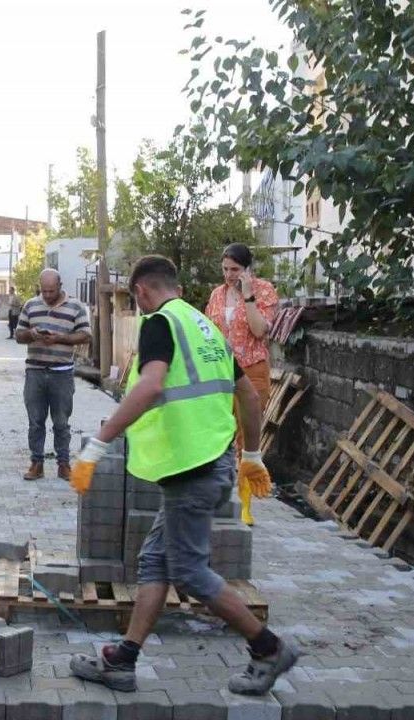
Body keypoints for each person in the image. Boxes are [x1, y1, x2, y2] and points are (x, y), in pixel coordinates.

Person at [67, 255, 297, 696]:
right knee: (155, 561)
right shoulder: (205, 326)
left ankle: (269, 648)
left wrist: (98, 444)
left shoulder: (160, 323)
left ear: (141, 291)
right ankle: (123, 661)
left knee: (189, 572)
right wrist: (251, 455)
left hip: (193, 470)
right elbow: (248, 396)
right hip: (210, 462)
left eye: (136, 300)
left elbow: (151, 385)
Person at [205, 242, 280, 507]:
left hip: (252, 369)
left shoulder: (264, 290)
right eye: (225, 269)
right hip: (222, 370)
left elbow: (259, 330)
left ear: (247, 270)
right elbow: (209, 333)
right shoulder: (217, 294)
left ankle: (245, 503)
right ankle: (221, 493)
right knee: (221, 431)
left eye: (235, 269)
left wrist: (248, 296)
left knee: (246, 437)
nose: (229, 275)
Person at [15, 269, 91, 481]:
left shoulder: (76, 306)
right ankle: (36, 463)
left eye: (52, 291)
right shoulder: (31, 305)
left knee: (61, 422)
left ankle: (63, 464)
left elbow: (86, 335)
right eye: (44, 291)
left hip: (62, 373)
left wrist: (60, 338)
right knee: (35, 421)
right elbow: (18, 335)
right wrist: (31, 334)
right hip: (35, 371)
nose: (47, 295)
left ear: (60, 286)